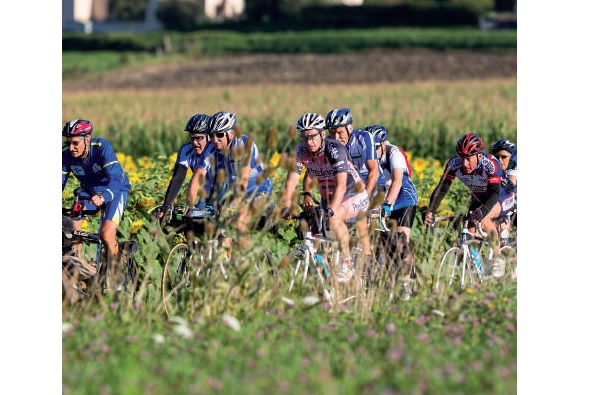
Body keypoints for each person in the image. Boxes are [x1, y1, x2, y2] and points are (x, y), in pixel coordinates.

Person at [281, 112, 371, 283]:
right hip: (328, 197)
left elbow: (342, 185)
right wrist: (286, 206)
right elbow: (291, 182)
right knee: (318, 235)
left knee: (334, 219)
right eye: (305, 137)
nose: (309, 142)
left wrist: (332, 209)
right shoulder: (300, 152)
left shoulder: (335, 149)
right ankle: (326, 278)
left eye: (313, 137)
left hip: (353, 194)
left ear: (322, 134)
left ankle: (347, 263)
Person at [423, 133, 516, 278]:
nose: (464, 164)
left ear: (479, 155)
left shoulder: (490, 163)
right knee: (469, 232)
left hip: (502, 195)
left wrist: (483, 211)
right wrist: (431, 210)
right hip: (479, 198)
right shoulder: (454, 164)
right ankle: (479, 274)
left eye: (468, 159)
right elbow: (442, 189)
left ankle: (498, 258)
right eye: (462, 158)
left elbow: (494, 193)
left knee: (484, 219)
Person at [62, 119, 131, 292]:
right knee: (71, 229)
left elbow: (115, 177)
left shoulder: (101, 147)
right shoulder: (66, 154)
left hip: (115, 190)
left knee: (106, 234)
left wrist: (105, 196)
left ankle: (115, 279)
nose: (71, 147)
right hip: (89, 192)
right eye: (68, 142)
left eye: (75, 143)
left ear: (87, 139)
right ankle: (78, 276)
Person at [366, 124, 419, 298]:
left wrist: (388, 204)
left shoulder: (393, 152)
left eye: (375, 149)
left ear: (383, 144)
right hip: (382, 193)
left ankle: (405, 283)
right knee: (379, 238)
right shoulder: (368, 155)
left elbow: (397, 181)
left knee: (401, 241)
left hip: (403, 196)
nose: (372, 153)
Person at [207, 110, 274, 233]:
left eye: (220, 135)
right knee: (219, 228)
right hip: (235, 194)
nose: (215, 139)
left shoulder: (244, 145)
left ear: (231, 134)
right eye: (211, 135)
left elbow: (243, 180)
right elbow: (215, 182)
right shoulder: (215, 150)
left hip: (259, 193)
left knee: (238, 222)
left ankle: (247, 252)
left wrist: (231, 206)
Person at [155, 113, 214, 220]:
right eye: (192, 138)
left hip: (224, 188)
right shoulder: (186, 150)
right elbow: (178, 178)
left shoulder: (216, 150)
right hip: (207, 190)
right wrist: (165, 207)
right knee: (193, 220)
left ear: (209, 137)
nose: (194, 143)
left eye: (199, 138)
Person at [325, 107, 380, 197]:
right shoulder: (328, 142)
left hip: (369, 181)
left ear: (350, 128)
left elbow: (374, 171)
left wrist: (364, 197)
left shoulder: (364, 137)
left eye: (340, 133)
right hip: (346, 184)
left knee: (371, 209)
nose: (335, 138)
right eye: (332, 133)